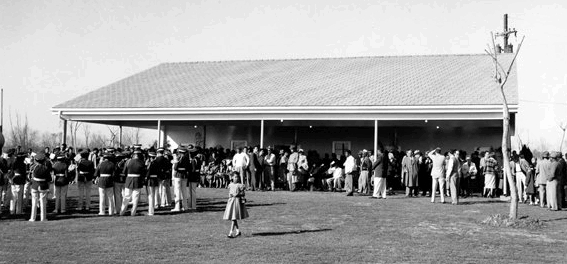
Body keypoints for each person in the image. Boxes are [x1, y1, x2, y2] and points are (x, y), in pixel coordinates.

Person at [120, 150, 146, 216]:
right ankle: (133, 213)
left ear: (133, 155)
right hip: (137, 180)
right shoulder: (142, 162)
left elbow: (124, 172)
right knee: (136, 198)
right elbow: (143, 173)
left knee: (126, 197)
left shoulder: (128, 162)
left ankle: (122, 212)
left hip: (129, 180)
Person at [223, 171, 248, 238]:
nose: (236, 178)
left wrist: (238, 194)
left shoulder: (240, 185)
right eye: (235, 177)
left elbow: (243, 194)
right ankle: (237, 231)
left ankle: (231, 232)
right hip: (231, 202)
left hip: (237, 202)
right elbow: (230, 193)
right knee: (233, 217)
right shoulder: (230, 185)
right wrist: (230, 195)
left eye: (237, 177)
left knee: (234, 217)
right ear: (232, 177)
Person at [29, 154, 51, 222]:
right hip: (43, 185)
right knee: (43, 202)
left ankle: (32, 218)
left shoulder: (33, 167)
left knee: (34, 203)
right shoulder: (46, 168)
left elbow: (30, 177)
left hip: (35, 185)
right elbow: (49, 179)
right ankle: (43, 218)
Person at [146, 151, 160, 215]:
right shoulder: (157, 163)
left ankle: (151, 211)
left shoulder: (150, 163)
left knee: (151, 196)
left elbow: (148, 172)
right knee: (154, 195)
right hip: (156, 179)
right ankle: (153, 208)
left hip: (151, 180)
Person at [187, 145, 199, 211]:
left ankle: (193, 205)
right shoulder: (196, 159)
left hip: (192, 177)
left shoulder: (193, 160)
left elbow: (193, 169)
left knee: (192, 191)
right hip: (194, 177)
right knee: (192, 191)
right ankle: (191, 205)